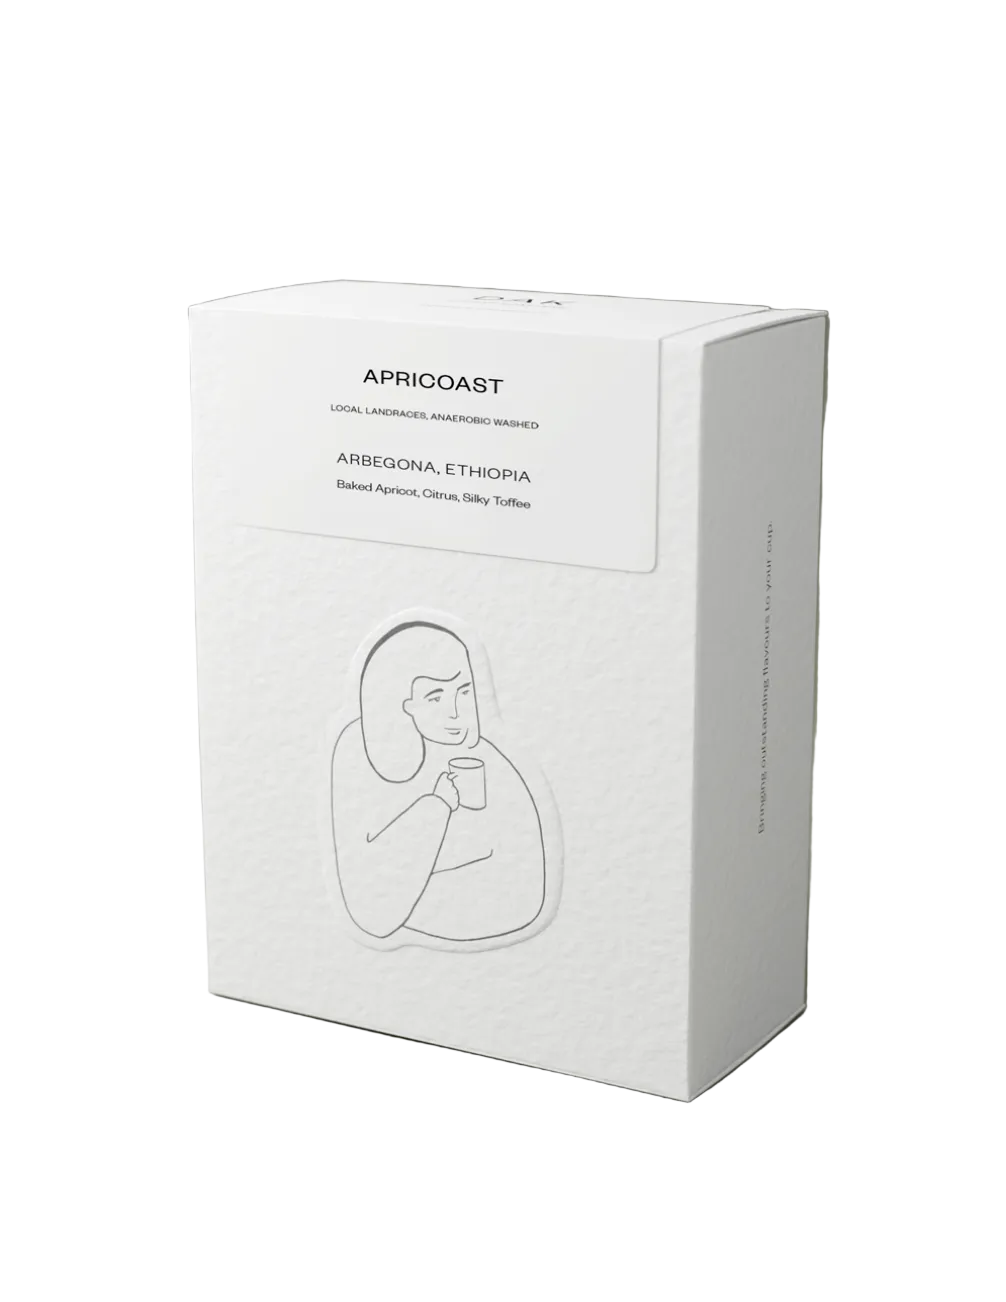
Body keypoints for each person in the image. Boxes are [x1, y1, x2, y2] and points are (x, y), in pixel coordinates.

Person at [331, 621, 546, 943]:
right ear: (402, 703)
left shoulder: (484, 755)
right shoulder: (358, 749)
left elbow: (523, 883)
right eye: (435, 697)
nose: (456, 713)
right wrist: (437, 805)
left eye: (464, 691)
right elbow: (370, 907)